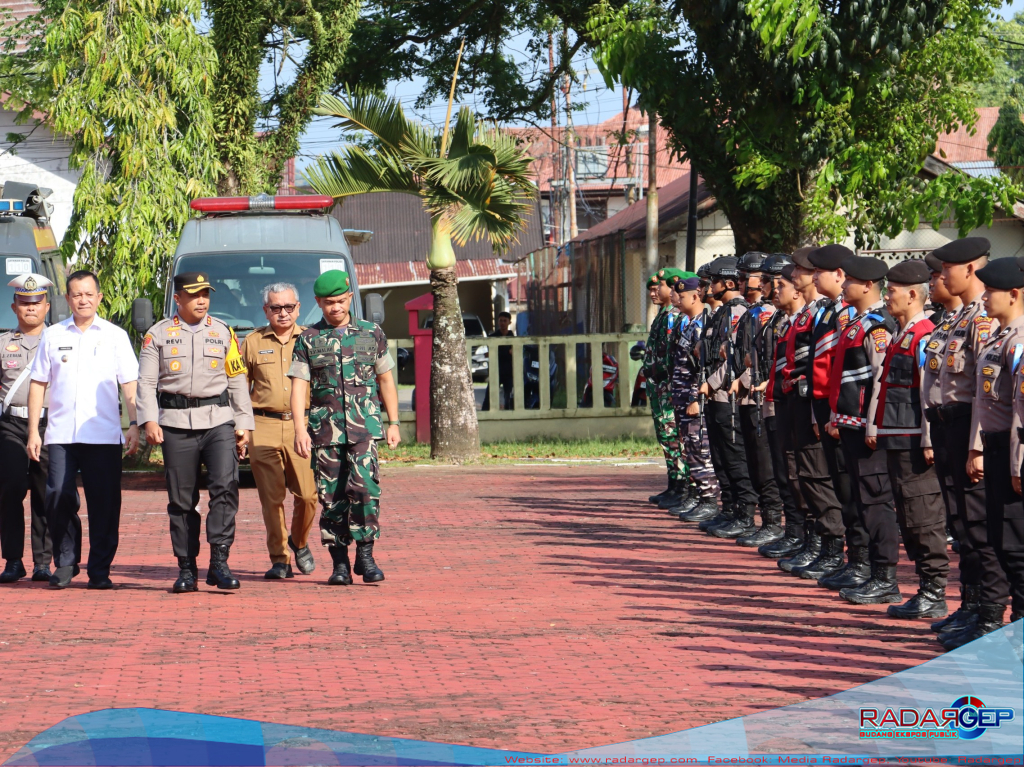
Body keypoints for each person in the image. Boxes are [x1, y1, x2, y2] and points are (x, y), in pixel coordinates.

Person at [137, 272, 255, 593]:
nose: (202, 300)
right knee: (181, 499)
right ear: (178, 299)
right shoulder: (157, 335)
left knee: (226, 489)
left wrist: (244, 424)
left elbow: (237, 380)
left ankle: (219, 562)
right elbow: (146, 384)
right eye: (194, 294)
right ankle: (187, 568)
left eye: (205, 293)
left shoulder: (224, 333)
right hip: (175, 424)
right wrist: (149, 420)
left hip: (218, 421)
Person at [26, 269, 140, 590]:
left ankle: (100, 568)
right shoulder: (53, 335)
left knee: (104, 503)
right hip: (61, 434)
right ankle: (65, 560)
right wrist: (34, 430)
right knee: (58, 496)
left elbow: (129, 384)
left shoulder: (114, 335)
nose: (83, 300)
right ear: (67, 298)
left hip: (103, 435)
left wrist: (134, 424)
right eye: (77, 294)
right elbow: (38, 383)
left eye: (89, 294)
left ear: (99, 297)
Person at [288, 270, 401, 586]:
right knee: (331, 497)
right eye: (328, 303)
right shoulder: (309, 339)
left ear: (350, 296)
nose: (334, 308)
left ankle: (366, 555)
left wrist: (393, 423)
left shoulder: (371, 333)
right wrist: (300, 430)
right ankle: (340, 564)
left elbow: (386, 380)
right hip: (325, 432)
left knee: (366, 489)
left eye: (339, 301)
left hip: (364, 429)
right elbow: (299, 386)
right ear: (318, 303)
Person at [941, 256, 1024, 646]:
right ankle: (993, 619)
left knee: (1016, 547)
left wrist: (1018, 464)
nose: (985, 296)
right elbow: (982, 400)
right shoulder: (996, 337)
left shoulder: (1019, 342)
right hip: (991, 448)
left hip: (1011, 454)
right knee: (995, 539)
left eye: (992, 291)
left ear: (1014, 294)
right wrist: (977, 447)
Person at [930, 238, 1009, 645]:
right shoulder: (956, 320)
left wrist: (976, 446)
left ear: (971, 270)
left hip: (969, 429)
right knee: (961, 524)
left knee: (980, 525)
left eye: (949, 268)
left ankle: (990, 614)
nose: (942, 276)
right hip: (947, 426)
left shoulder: (984, 323)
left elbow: (986, 392)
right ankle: (972, 604)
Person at [869, 259, 949, 619]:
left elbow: (930, 391)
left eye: (893, 291)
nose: (887, 297)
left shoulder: (923, 335)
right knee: (908, 514)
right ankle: (924, 587)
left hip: (916, 440)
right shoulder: (901, 333)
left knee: (923, 516)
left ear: (913, 294)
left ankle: (934, 591)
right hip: (896, 438)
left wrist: (929, 440)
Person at [824, 255, 900, 605]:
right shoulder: (856, 323)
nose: (844, 285)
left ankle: (884, 574)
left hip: (867, 429)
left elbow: (881, 379)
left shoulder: (877, 327)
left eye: (850, 280)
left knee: (875, 500)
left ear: (868, 285)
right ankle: (865, 566)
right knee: (857, 498)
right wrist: (836, 415)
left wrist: (873, 423)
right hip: (849, 424)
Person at [0, 274, 80, 584]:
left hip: (52, 426)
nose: (30, 308)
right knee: (9, 491)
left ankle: (42, 563)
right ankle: (12, 560)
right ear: (14, 306)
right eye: (24, 302)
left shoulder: (62, 340)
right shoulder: (4, 344)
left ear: (47, 306)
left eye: (36, 303)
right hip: (11, 426)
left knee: (47, 494)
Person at [239, 282, 319, 580]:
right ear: (266, 310)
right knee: (271, 500)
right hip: (264, 425)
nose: (283, 313)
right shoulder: (253, 341)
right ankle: (280, 559)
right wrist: (242, 428)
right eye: (276, 308)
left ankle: (298, 543)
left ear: (299, 307)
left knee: (309, 495)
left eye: (289, 307)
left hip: (304, 427)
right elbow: (239, 387)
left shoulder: (312, 339)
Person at [699, 256, 758, 536]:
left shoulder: (737, 311)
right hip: (716, 396)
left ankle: (744, 514)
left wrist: (711, 383)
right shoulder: (721, 312)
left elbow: (734, 358)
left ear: (729, 282)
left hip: (727, 395)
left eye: (714, 281)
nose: (710, 286)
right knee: (721, 456)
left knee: (735, 456)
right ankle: (729, 509)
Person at [729, 251, 783, 542]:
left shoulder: (767, 314)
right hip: (748, 394)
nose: (751, 283)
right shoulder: (753, 312)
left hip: (764, 395)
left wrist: (748, 379)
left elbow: (769, 359)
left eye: (746, 277)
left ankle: (774, 522)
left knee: (766, 462)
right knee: (754, 460)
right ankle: (759, 518)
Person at [760, 262, 811, 558]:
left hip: (797, 404)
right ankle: (795, 531)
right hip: (779, 401)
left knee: (801, 473)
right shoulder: (785, 320)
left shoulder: (805, 320)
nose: (776, 290)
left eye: (781, 285)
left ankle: (805, 535)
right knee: (786, 471)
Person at [670, 275, 719, 521]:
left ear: (695, 296)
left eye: (681, 296)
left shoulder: (702, 325)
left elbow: (701, 369)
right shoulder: (690, 323)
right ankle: (701, 496)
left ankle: (710, 498)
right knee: (690, 448)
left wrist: (693, 399)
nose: (677, 300)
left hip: (692, 399)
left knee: (700, 448)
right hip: (681, 396)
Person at [644, 268, 688, 509]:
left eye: (656, 287)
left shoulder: (672, 315)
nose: (654, 292)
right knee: (666, 436)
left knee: (675, 437)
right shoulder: (663, 314)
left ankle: (683, 486)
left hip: (669, 387)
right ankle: (674, 484)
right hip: (660, 386)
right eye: (651, 289)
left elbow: (671, 353)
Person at [494, 311, 515, 410]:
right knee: (491, 393)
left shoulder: (513, 338)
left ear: (509, 322)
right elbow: (489, 353)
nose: (502, 323)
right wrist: (507, 352)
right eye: (500, 321)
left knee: (508, 394)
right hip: (495, 370)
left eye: (504, 321)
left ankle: (508, 412)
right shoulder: (493, 337)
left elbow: (515, 352)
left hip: (509, 371)